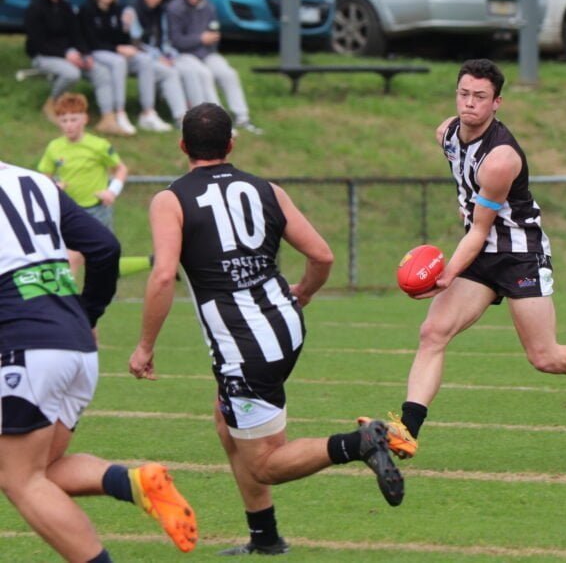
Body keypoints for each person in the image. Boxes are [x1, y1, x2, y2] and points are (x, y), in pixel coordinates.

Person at [127, 103, 403, 556]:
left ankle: (359, 443)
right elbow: (323, 256)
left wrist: (144, 346)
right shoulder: (266, 189)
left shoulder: (170, 199)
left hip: (244, 346)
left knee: (265, 465)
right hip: (285, 326)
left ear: (182, 146)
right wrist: (306, 293)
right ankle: (265, 537)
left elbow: (161, 276)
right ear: (231, 145)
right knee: (225, 421)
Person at [360, 59, 566, 461]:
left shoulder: (501, 158)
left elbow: (482, 230)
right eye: (464, 94)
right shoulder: (447, 133)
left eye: (480, 97)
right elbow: (467, 200)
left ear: (497, 102)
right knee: (432, 332)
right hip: (480, 251)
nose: (470, 104)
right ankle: (407, 430)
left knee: (546, 357)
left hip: (519, 255)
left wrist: (447, 273)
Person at [0, 159, 198, 561]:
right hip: (75, 344)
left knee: (19, 480)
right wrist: (87, 314)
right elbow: (104, 247)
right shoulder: (32, 180)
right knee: (42, 468)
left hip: (29, 346)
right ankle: (135, 482)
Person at [37, 92, 153, 279]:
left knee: (82, 258)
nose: (68, 125)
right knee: (79, 259)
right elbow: (43, 176)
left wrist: (111, 191)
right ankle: (73, 303)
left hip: (97, 209)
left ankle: (71, 304)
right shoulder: (54, 147)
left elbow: (120, 169)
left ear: (85, 119)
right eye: (63, 120)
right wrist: (54, 186)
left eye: (73, 119)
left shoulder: (98, 145)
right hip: (69, 211)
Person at [24, 0, 119, 133]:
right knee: (71, 73)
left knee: (100, 71)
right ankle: (52, 104)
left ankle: (107, 117)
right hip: (44, 56)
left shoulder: (65, 7)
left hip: (71, 54)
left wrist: (85, 54)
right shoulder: (34, 9)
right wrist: (66, 54)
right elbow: (38, 43)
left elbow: (77, 35)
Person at [165, 0, 261, 135]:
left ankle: (242, 117)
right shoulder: (175, 8)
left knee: (228, 73)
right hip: (184, 54)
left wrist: (212, 40)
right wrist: (200, 39)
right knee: (205, 74)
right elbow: (176, 41)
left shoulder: (208, 7)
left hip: (206, 52)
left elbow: (213, 32)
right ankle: (219, 123)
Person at [78, 0, 175, 135]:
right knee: (119, 62)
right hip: (97, 52)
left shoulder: (118, 9)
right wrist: (117, 49)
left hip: (115, 50)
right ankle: (119, 112)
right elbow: (91, 40)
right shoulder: (86, 9)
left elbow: (121, 38)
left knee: (144, 60)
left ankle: (148, 112)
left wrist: (126, 28)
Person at [122, 0, 195, 129]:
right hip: (138, 56)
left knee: (180, 69)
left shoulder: (160, 12)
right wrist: (158, 57)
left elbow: (165, 40)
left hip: (157, 56)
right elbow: (136, 42)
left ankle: (188, 114)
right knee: (169, 73)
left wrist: (170, 55)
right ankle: (176, 116)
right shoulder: (133, 10)